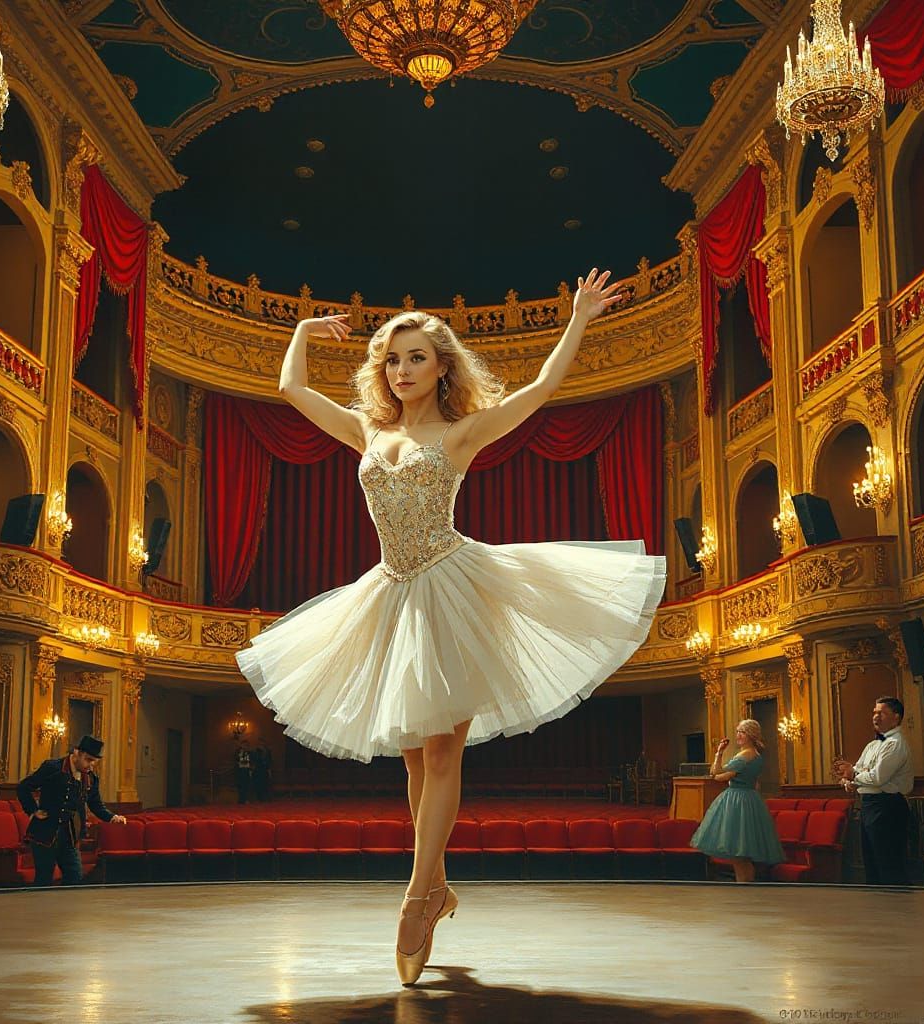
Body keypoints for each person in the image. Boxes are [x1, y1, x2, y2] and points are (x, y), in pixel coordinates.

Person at [235, 268, 666, 985]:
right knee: (412, 759)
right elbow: (290, 391)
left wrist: (581, 318)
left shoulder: (462, 432)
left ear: (442, 368)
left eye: (416, 358)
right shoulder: (365, 428)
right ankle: (438, 886)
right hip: (388, 598)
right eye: (392, 358)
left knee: (441, 754)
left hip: (454, 589)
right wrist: (302, 335)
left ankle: (414, 898)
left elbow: (541, 393)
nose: (401, 370)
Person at [16, 735, 126, 886]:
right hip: (45, 834)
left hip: (70, 836)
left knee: (75, 879)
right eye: (88, 760)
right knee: (43, 880)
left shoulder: (91, 778)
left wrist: (112, 817)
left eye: (94, 761)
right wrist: (33, 810)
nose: (90, 765)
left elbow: (96, 804)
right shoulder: (52, 767)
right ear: (76, 753)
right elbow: (23, 787)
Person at [689, 720, 784, 882]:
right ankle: (745, 889)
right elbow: (719, 775)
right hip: (750, 799)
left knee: (739, 855)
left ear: (751, 735)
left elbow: (717, 774)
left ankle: (745, 889)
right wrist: (718, 773)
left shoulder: (744, 756)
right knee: (741, 856)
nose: (738, 735)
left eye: (742, 732)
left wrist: (719, 752)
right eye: (738, 731)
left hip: (737, 801)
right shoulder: (756, 755)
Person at [833, 696, 914, 886]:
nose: (875, 717)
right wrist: (849, 778)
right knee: (872, 864)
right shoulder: (873, 744)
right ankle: (879, 911)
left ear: (896, 717)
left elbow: (878, 777)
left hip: (888, 807)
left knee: (889, 865)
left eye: (881, 713)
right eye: (874, 712)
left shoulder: (895, 744)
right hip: (870, 806)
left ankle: (896, 910)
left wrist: (853, 775)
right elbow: (858, 769)